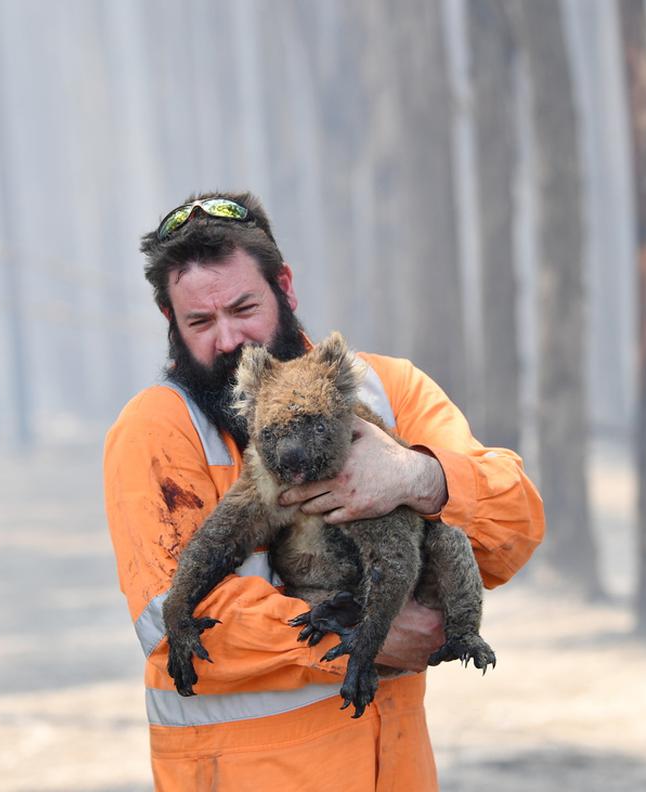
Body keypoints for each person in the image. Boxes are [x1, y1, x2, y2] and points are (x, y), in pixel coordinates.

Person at [103, 191, 545, 790]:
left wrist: (422, 477)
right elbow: (169, 617)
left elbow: (515, 526)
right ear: (171, 324)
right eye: (201, 322)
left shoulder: (386, 389)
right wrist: (358, 635)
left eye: (243, 307)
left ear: (284, 287)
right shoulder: (156, 430)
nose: (231, 339)